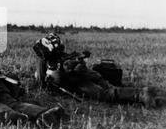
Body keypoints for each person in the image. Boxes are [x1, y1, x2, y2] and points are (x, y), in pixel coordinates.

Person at [33, 33, 164, 108]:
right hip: (87, 77)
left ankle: (142, 94)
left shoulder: (59, 61)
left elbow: (48, 81)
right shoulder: (54, 60)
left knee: (107, 95)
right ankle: (147, 94)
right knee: (110, 89)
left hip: (82, 81)